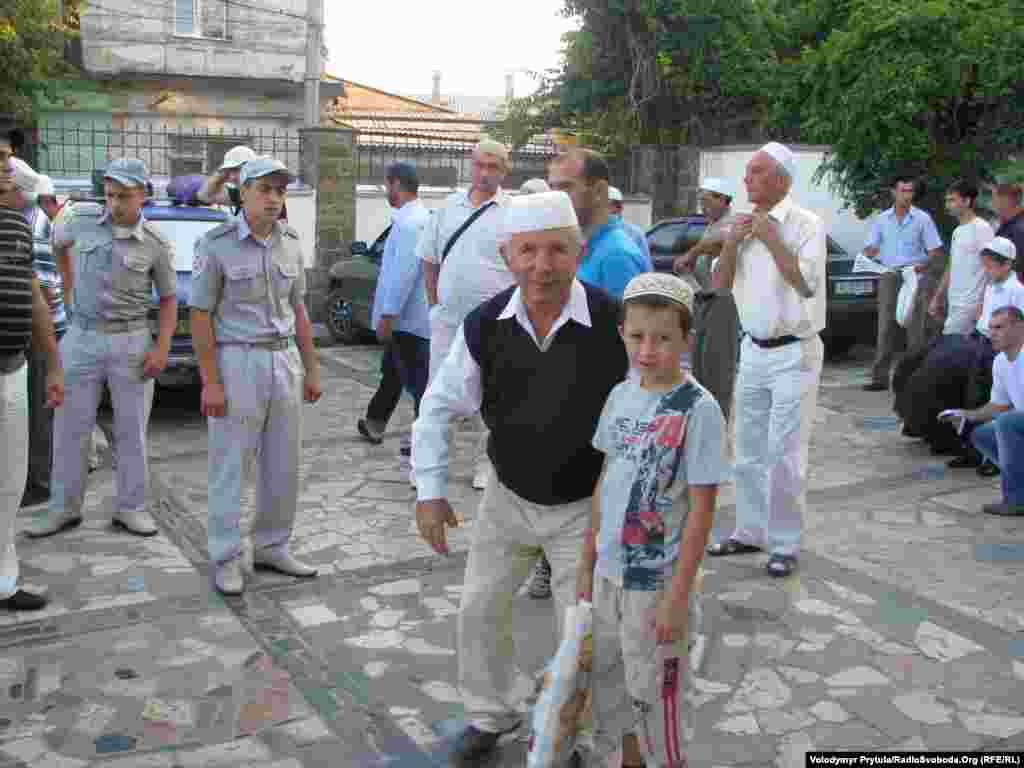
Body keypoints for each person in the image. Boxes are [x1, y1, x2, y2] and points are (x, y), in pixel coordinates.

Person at [411, 190, 629, 763]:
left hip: (586, 505)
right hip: (507, 497)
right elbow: (437, 407)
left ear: (578, 253)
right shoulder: (486, 325)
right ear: (507, 255)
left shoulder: (615, 322)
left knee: (582, 628)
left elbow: (650, 405)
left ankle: (573, 733)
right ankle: (490, 712)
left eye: (556, 250)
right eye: (527, 251)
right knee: (479, 609)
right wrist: (429, 493)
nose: (542, 266)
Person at [578, 272, 726, 768]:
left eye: (663, 338)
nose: (647, 350)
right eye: (637, 335)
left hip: (656, 583)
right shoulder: (620, 396)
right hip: (608, 574)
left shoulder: (698, 410)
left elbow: (701, 508)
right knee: (616, 687)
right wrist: (586, 564)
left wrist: (677, 598)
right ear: (622, 333)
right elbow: (605, 481)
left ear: (686, 339)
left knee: (658, 696)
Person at [190, 156, 321, 596]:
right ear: (241, 192)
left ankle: (271, 545)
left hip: (283, 359)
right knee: (231, 463)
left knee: (283, 462)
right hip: (238, 361)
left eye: (279, 190)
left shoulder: (291, 242)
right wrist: (210, 381)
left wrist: (311, 369)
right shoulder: (216, 244)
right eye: (264, 189)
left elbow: (298, 309)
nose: (273, 198)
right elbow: (201, 315)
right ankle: (226, 555)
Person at [28, 158, 177, 539]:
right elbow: (57, 245)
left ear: (142, 195)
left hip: (131, 341)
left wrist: (161, 348)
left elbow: (168, 299)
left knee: (131, 430)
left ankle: (131, 508)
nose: (114, 204)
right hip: (81, 336)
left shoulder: (156, 243)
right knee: (69, 427)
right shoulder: (80, 220)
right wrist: (68, 287)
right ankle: (63, 508)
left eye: (123, 196)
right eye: (110, 195)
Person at [706, 142, 826, 578]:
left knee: (784, 452)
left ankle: (784, 544)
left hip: (794, 351)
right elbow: (720, 285)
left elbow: (806, 284)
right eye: (748, 171)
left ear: (782, 179)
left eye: (756, 171)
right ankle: (750, 531)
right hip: (753, 349)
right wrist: (732, 243)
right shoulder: (740, 224)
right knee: (746, 449)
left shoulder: (806, 224)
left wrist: (772, 239)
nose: (747, 179)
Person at [417, 138, 512, 491]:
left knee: (492, 395)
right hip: (448, 321)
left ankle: (486, 466)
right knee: (437, 396)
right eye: (479, 165)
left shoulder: (514, 213)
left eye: (493, 167)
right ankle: (429, 467)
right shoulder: (447, 208)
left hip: (494, 325)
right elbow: (429, 260)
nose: (485, 173)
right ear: (470, 166)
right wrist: (435, 305)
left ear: (505, 171)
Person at [0, 157, 64, 610]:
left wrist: (54, 366)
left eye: (7, 160)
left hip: (13, 368)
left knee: (9, 482)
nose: (6, 169)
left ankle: (4, 582)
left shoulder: (17, 226)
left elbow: (35, 296)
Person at [896, 237, 1024, 462]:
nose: (987, 271)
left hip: (997, 349)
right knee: (970, 395)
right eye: (985, 266)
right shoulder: (991, 287)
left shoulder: (1016, 290)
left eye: (992, 266)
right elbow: (983, 316)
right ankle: (970, 447)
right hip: (981, 341)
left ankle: (987, 454)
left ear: (1007, 264)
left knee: (985, 398)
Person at [356, 163, 431, 476]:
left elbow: (403, 275)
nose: (386, 190)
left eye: (387, 185)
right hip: (405, 319)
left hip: (408, 321)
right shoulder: (411, 219)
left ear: (396, 185)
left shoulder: (412, 223)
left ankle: (422, 444)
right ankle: (375, 421)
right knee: (393, 372)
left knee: (419, 385)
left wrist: (388, 315)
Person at [862, 176, 945, 391]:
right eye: (903, 190)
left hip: (914, 276)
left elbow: (935, 251)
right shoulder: (882, 219)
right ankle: (880, 378)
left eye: (910, 191)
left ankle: (913, 377)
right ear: (893, 192)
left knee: (915, 328)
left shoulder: (922, 219)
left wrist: (923, 267)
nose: (907, 195)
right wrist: (869, 254)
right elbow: (870, 248)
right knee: (885, 326)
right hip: (890, 274)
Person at [940, 305, 1024, 516]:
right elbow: (998, 405)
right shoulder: (1000, 362)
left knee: (1006, 422)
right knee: (981, 434)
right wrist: (965, 415)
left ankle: (1016, 500)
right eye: (990, 328)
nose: (991, 333)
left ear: (1019, 327)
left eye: (999, 328)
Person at [673, 176, 741, 422]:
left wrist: (692, 253)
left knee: (716, 370)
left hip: (723, 305)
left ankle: (716, 423)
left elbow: (720, 241)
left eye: (707, 200)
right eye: (701, 201)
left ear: (723, 200)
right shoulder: (711, 226)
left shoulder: (732, 222)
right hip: (705, 302)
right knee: (701, 369)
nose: (703, 206)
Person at [22, 174, 67, 506]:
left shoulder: (35, 224)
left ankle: (40, 481)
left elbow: (46, 288)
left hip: (41, 331)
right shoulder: (34, 222)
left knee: (40, 409)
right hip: (41, 329)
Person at [549, 148, 647, 299]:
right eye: (552, 188)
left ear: (599, 191)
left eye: (565, 188)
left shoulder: (617, 255)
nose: (555, 199)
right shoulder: (580, 245)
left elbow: (627, 314)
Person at [929, 179, 994, 334]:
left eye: (952, 200)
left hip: (970, 304)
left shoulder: (982, 228)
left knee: (949, 343)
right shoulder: (957, 231)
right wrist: (937, 297)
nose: (947, 205)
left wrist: (983, 304)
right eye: (947, 201)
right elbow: (952, 266)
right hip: (954, 302)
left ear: (966, 201)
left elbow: (991, 268)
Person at [194, 145, 258, 215]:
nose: (232, 177)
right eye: (229, 172)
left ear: (252, 168)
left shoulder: (263, 193)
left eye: (236, 170)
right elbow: (205, 196)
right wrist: (221, 173)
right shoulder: (239, 195)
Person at [608, 185, 652, 269]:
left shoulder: (635, 233)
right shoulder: (593, 233)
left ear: (620, 208)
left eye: (608, 205)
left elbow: (646, 265)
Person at [992, 183, 1024, 277]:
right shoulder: (1006, 224)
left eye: (995, 199)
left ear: (1006, 200)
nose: (993, 204)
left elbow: (1018, 265)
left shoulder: (1019, 228)